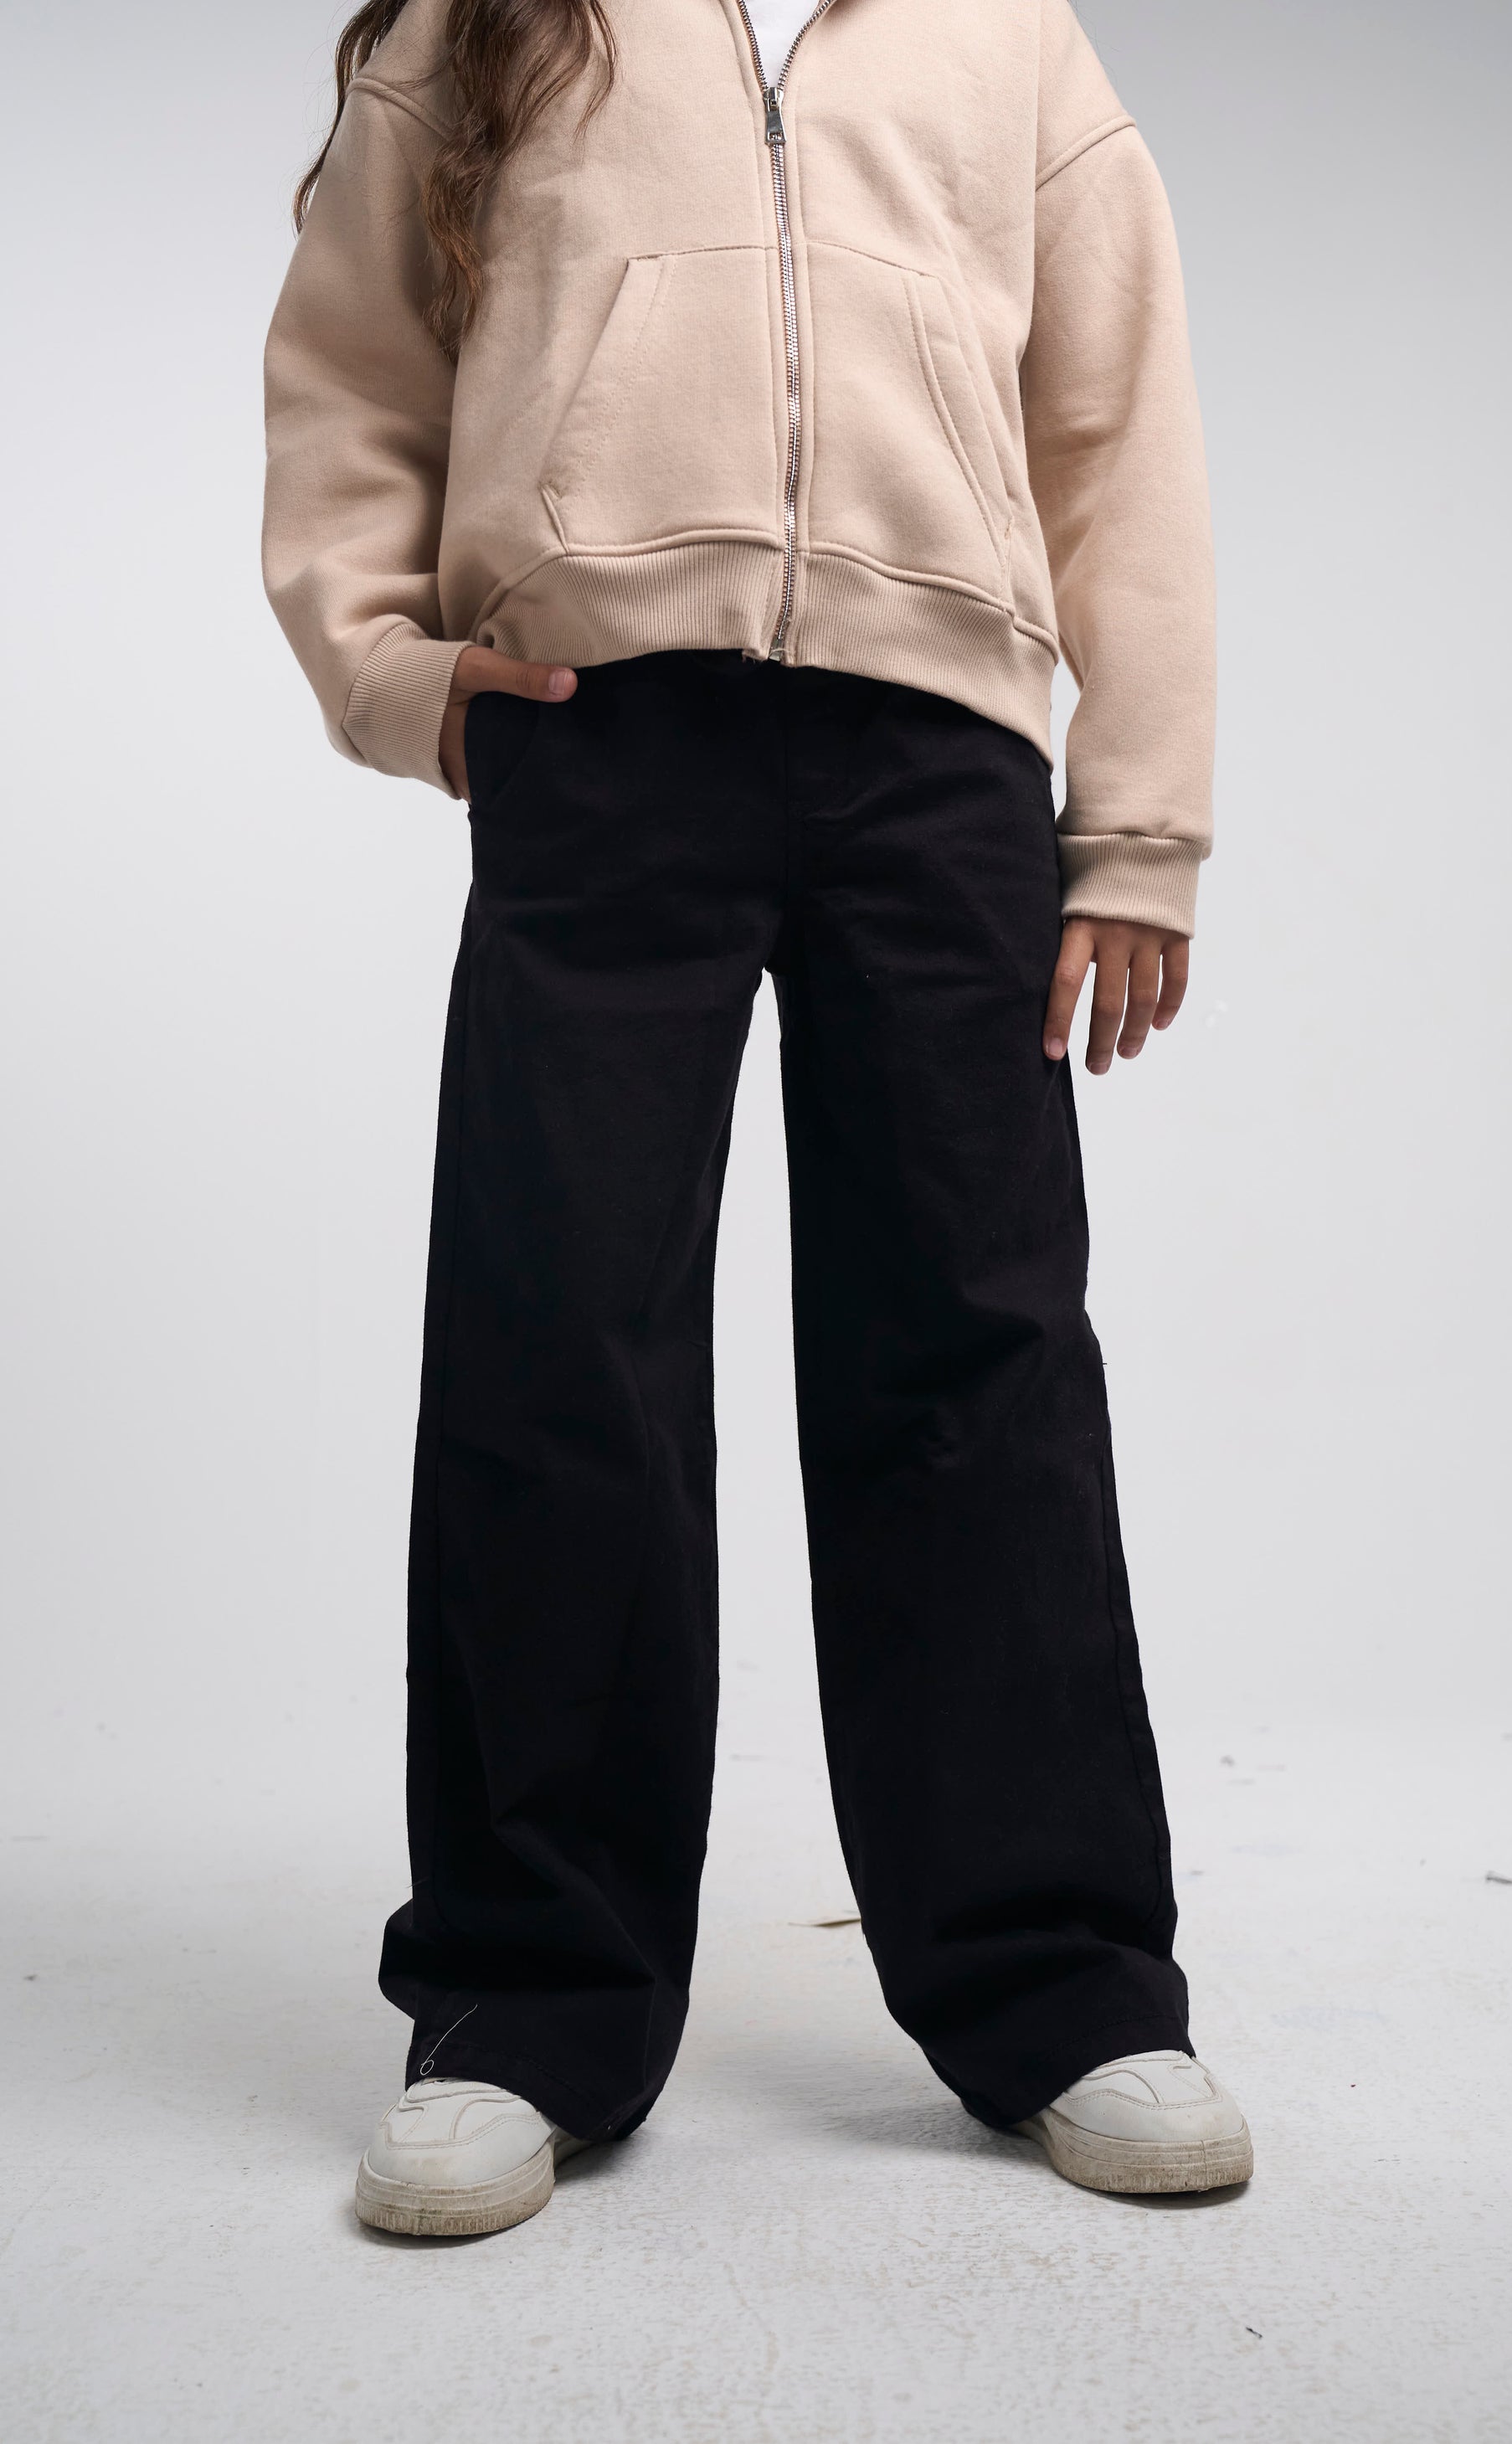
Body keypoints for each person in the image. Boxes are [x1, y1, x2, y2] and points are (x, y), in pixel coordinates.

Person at [264, 0, 1252, 2239]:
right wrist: (396, 670)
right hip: (596, 734)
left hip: (942, 761)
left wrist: (1138, 828)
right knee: (555, 1353)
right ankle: (523, 2007)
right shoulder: (488, 22)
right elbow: (349, 376)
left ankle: (1064, 1989)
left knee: (976, 1359)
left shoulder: (1005, 38)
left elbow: (1118, 420)